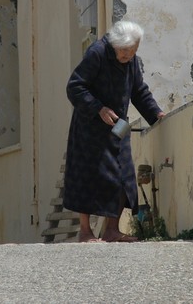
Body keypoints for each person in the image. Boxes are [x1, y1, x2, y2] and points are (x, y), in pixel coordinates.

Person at [63, 20, 165, 242]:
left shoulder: (131, 60)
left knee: (123, 176)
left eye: (133, 53)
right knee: (86, 177)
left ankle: (111, 230)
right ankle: (85, 231)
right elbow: (75, 86)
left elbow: (139, 90)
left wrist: (156, 114)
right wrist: (98, 108)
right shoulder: (97, 54)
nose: (129, 57)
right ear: (115, 46)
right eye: (126, 53)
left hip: (117, 127)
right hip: (90, 127)